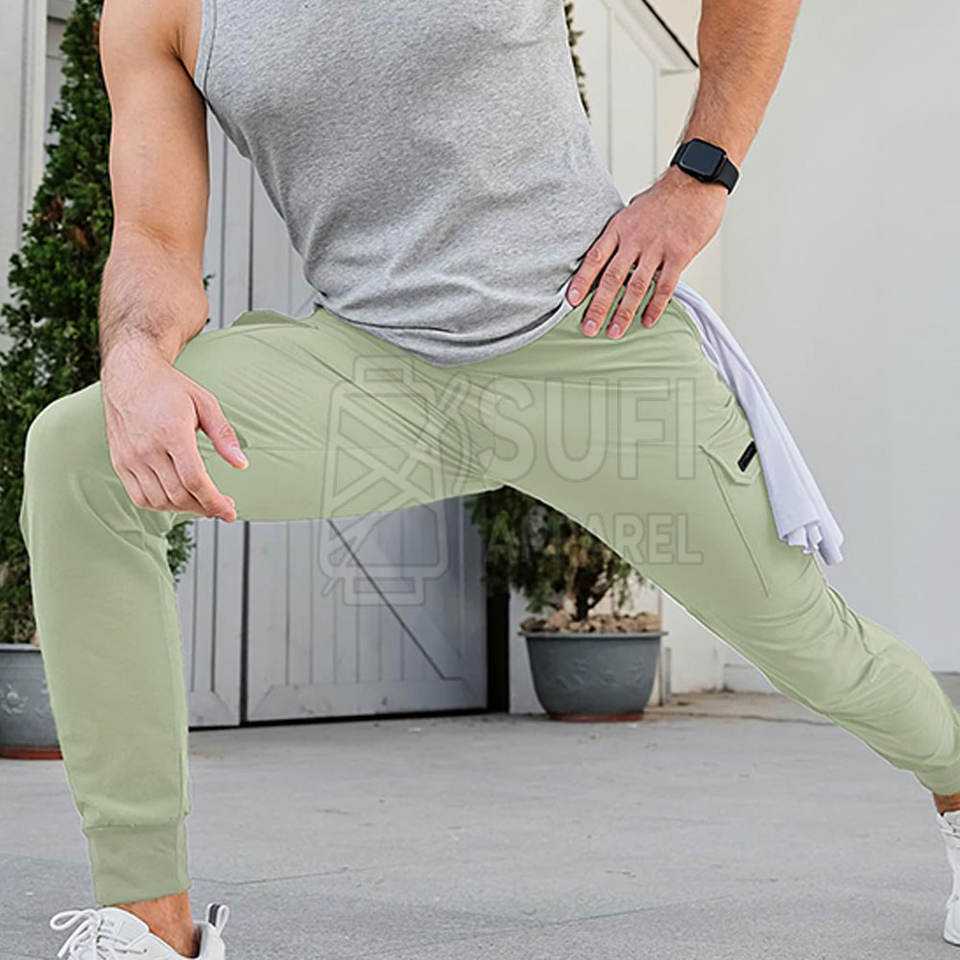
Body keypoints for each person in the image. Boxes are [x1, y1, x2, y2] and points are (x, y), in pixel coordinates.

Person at [18, 0, 960, 956]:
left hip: (593, 336)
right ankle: (149, 920)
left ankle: (958, 783)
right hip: (375, 375)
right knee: (76, 453)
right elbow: (155, 237)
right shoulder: (158, 9)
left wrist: (700, 176)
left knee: (810, 643)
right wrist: (135, 359)